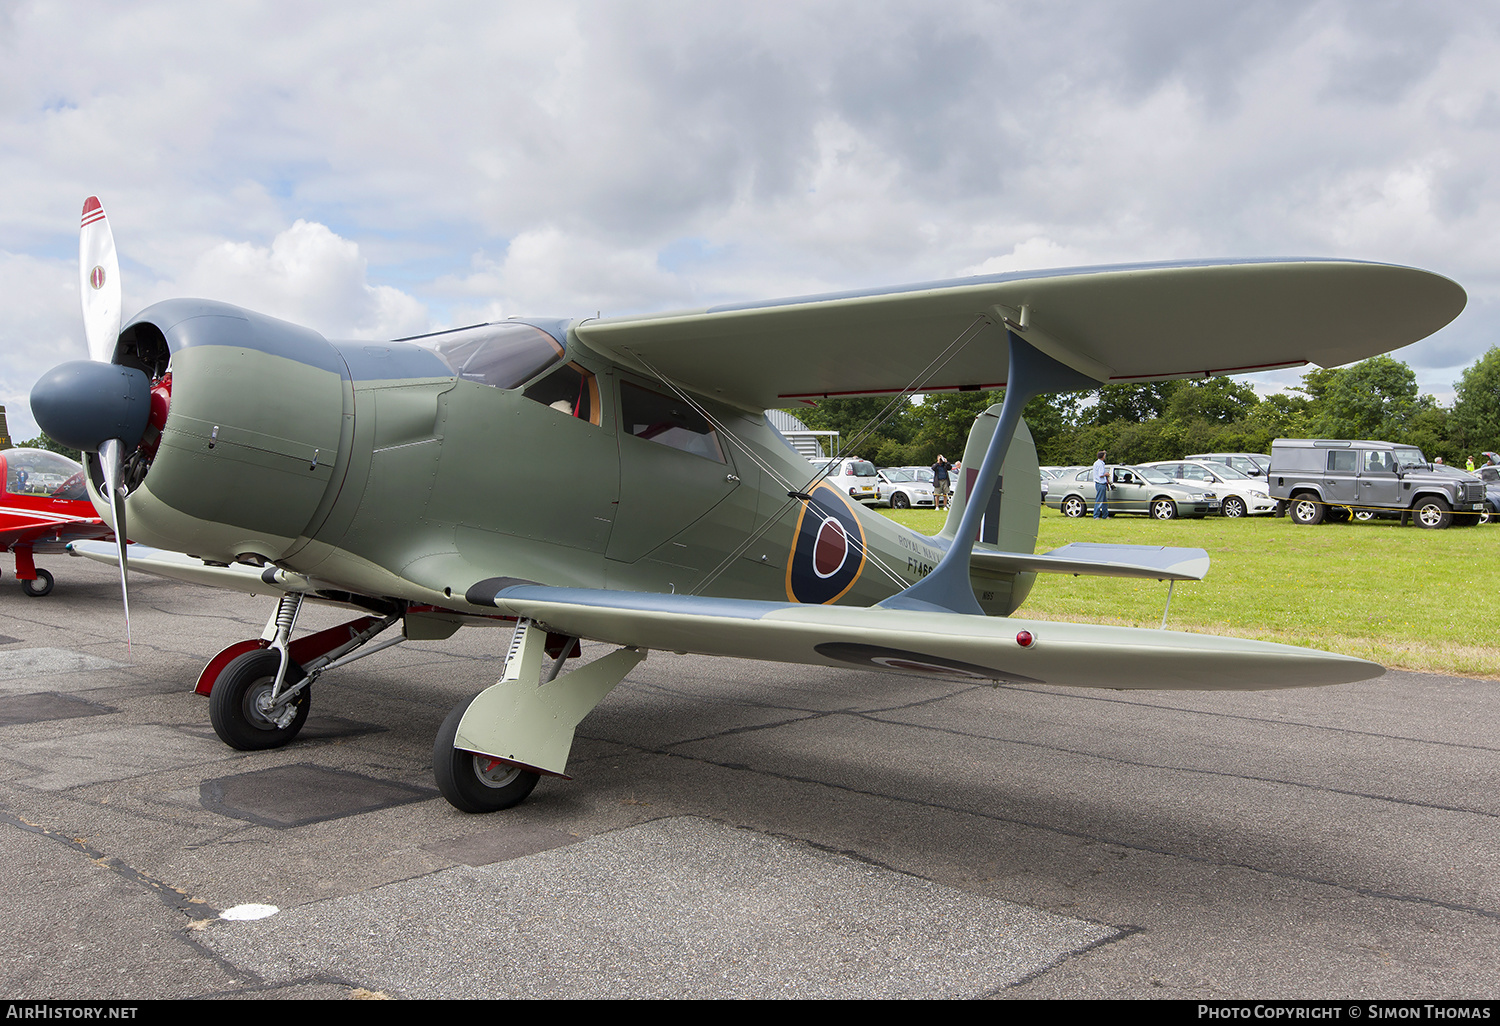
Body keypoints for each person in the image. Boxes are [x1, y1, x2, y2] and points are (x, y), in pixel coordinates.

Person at [1092, 451, 1109, 518]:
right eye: (1104, 455)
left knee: (1104, 500)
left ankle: (1105, 515)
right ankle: (1096, 515)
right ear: (1103, 456)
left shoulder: (1096, 463)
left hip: (1099, 483)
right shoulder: (1100, 464)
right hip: (1101, 483)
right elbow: (1101, 475)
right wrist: (1106, 474)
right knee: (1099, 500)